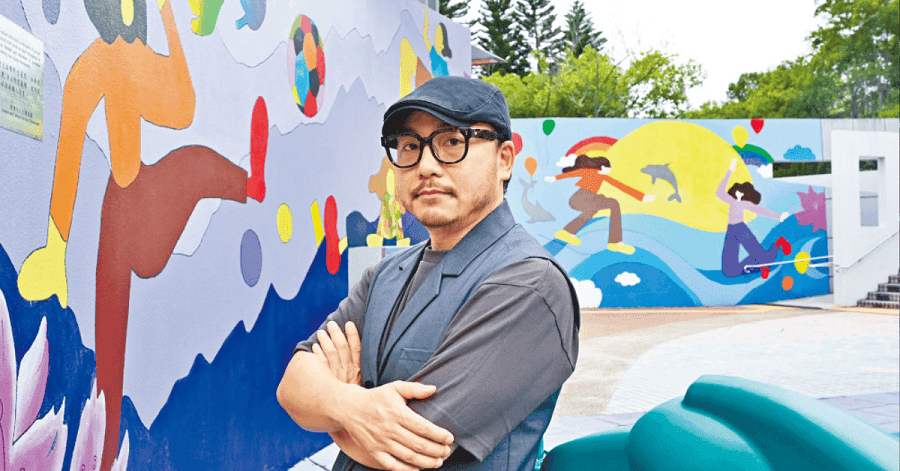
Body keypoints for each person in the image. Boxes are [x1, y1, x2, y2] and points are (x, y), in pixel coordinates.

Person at [277, 76, 580, 471]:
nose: (426, 166)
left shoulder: (528, 285)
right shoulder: (384, 275)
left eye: (452, 141)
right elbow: (291, 388)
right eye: (409, 146)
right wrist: (351, 405)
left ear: (504, 159)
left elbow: (411, 447)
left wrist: (333, 406)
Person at [544, 154, 654, 254]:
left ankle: (568, 232)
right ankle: (614, 241)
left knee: (607, 205)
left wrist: (642, 197)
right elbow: (573, 173)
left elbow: (621, 186)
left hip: (588, 198)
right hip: (579, 198)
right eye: (608, 168)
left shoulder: (603, 176)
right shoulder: (589, 172)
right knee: (606, 204)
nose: (609, 171)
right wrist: (554, 178)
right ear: (602, 167)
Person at [717, 158, 791, 277]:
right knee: (729, 271)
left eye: (740, 190)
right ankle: (757, 266)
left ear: (743, 193)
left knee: (766, 261)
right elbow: (719, 192)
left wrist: (779, 217)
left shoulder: (745, 204)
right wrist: (730, 170)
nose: (737, 192)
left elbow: (761, 210)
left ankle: (779, 242)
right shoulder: (731, 201)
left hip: (741, 229)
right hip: (731, 230)